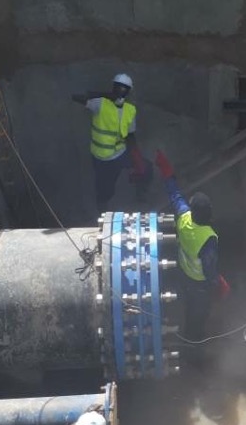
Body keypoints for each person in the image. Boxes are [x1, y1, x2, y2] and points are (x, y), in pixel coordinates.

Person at [155, 149, 229, 343]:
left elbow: (175, 194)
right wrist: (219, 283)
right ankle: (194, 341)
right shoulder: (209, 239)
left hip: (183, 272)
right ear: (210, 212)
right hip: (199, 284)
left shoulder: (184, 216)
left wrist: (166, 171)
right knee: (198, 314)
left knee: (188, 303)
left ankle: (190, 327)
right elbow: (209, 269)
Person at [72, 73, 151, 212]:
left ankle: (141, 194)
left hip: (119, 154)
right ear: (113, 88)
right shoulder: (100, 104)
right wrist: (106, 95)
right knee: (105, 191)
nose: (121, 91)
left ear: (128, 91)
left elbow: (130, 136)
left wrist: (137, 159)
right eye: (118, 88)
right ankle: (101, 213)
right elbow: (77, 97)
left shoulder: (130, 110)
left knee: (146, 168)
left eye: (124, 88)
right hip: (102, 158)